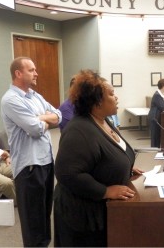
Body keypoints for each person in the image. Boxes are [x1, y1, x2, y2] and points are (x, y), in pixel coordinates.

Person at [53, 69, 143, 247]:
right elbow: (67, 174)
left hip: (100, 211)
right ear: (96, 102)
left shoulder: (103, 120)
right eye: (111, 94)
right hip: (82, 216)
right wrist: (105, 191)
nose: (116, 97)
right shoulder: (78, 131)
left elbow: (110, 153)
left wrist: (125, 168)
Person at [0, 57, 62, 247]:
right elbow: (35, 129)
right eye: (32, 70)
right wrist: (43, 120)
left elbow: (58, 116)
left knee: (44, 216)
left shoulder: (34, 96)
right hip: (29, 167)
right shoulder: (10, 100)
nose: (36, 73)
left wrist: (40, 117)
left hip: (46, 162)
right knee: (33, 223)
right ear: (18, 74)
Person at [148, 78, 164, 148]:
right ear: (163, 86)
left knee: (157, 135)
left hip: (157, 117)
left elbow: (163, 105)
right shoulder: (157, 95)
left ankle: (157, 149)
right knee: (155, 137)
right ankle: (154, 151)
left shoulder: (159, 94)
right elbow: (163, 107)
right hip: (154, 118)